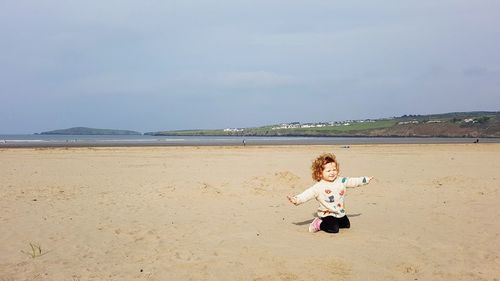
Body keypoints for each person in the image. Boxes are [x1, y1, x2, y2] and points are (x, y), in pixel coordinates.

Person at [287, 153, 373, 233]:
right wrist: (297, 199)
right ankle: (318, 224)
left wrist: (364, 180)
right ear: (320, 173)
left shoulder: (341, 181)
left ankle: (336, 220)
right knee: (334, 229)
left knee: (346, 225)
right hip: (326, 213)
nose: (332, 172)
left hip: (339, 211)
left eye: (334, 170)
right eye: (328, 171)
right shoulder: (319, 186)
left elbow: (352, 181)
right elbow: (307, 194)